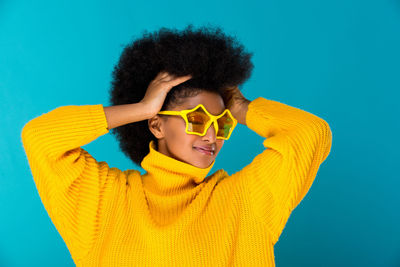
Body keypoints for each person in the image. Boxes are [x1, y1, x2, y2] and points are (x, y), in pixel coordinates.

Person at [21, 24, 332, 266]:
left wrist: (239, 106)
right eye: (197, 120)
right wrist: (141, 109)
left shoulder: (245, 200)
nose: (212, 137)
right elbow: (40, 137)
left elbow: (310, 134)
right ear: (157, 125)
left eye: (222, 124)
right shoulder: (105, 201)